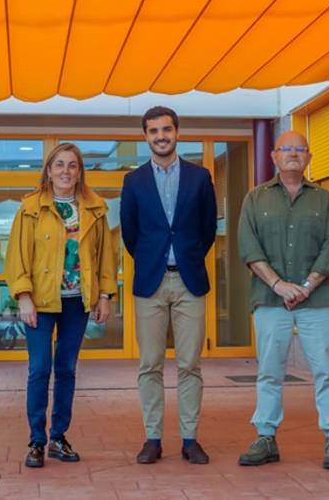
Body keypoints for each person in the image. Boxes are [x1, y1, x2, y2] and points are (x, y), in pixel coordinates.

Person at [236, 130, 329, 470]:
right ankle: (265, 437)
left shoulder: (324, 199)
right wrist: (279, 285)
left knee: (327, 370)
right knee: (269, 371)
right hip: (270, 301)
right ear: (273, 156)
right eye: (286, 149)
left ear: (309, 157)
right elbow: (248, 247)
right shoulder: (254, 199)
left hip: (317, 301)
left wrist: (306, 285)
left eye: (300, 149)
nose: (293, 154)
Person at [5, 143, 118, 468]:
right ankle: (36, 441)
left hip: (77, 303)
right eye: (59, 165)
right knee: (39, 370)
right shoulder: (30, 208)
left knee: (66, 370)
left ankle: (58, 437)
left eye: (72, 165)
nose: (66, 171)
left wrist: (104, 295)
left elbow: (105, 259)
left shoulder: (95, 209)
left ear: (79, 171)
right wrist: (23, 295)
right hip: (40, 302)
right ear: (49, 170)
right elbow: (17, 256)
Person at [120, 106, 217, 465]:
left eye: (166, 129)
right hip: (150, 282)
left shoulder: (200, 176)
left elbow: (207, 231)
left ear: (177, 132)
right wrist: (155, 259)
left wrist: (186, 255)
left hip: (190, 281)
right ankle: (153, 438)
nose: (161, 136)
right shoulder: (133, 182)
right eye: (153, 131)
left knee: (190, 363)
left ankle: (190, 439)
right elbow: (131, 234)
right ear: (145, 136)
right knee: (150, 364)